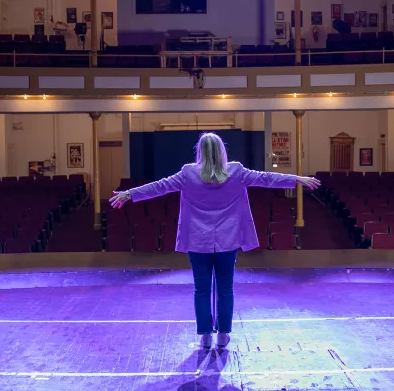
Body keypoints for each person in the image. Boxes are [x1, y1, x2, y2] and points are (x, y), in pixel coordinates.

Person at [109, 133, 320, 349]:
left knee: (201, 289)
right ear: (222, 151)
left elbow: (159, 186)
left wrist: (129, 194)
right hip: (227, 240)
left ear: (199, 151)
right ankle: (223, 334)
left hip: (197, 241)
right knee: (225, 288)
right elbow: (266, 178)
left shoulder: (188, 173)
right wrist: (296, 179)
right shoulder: (236, 171)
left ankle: (205, 336)